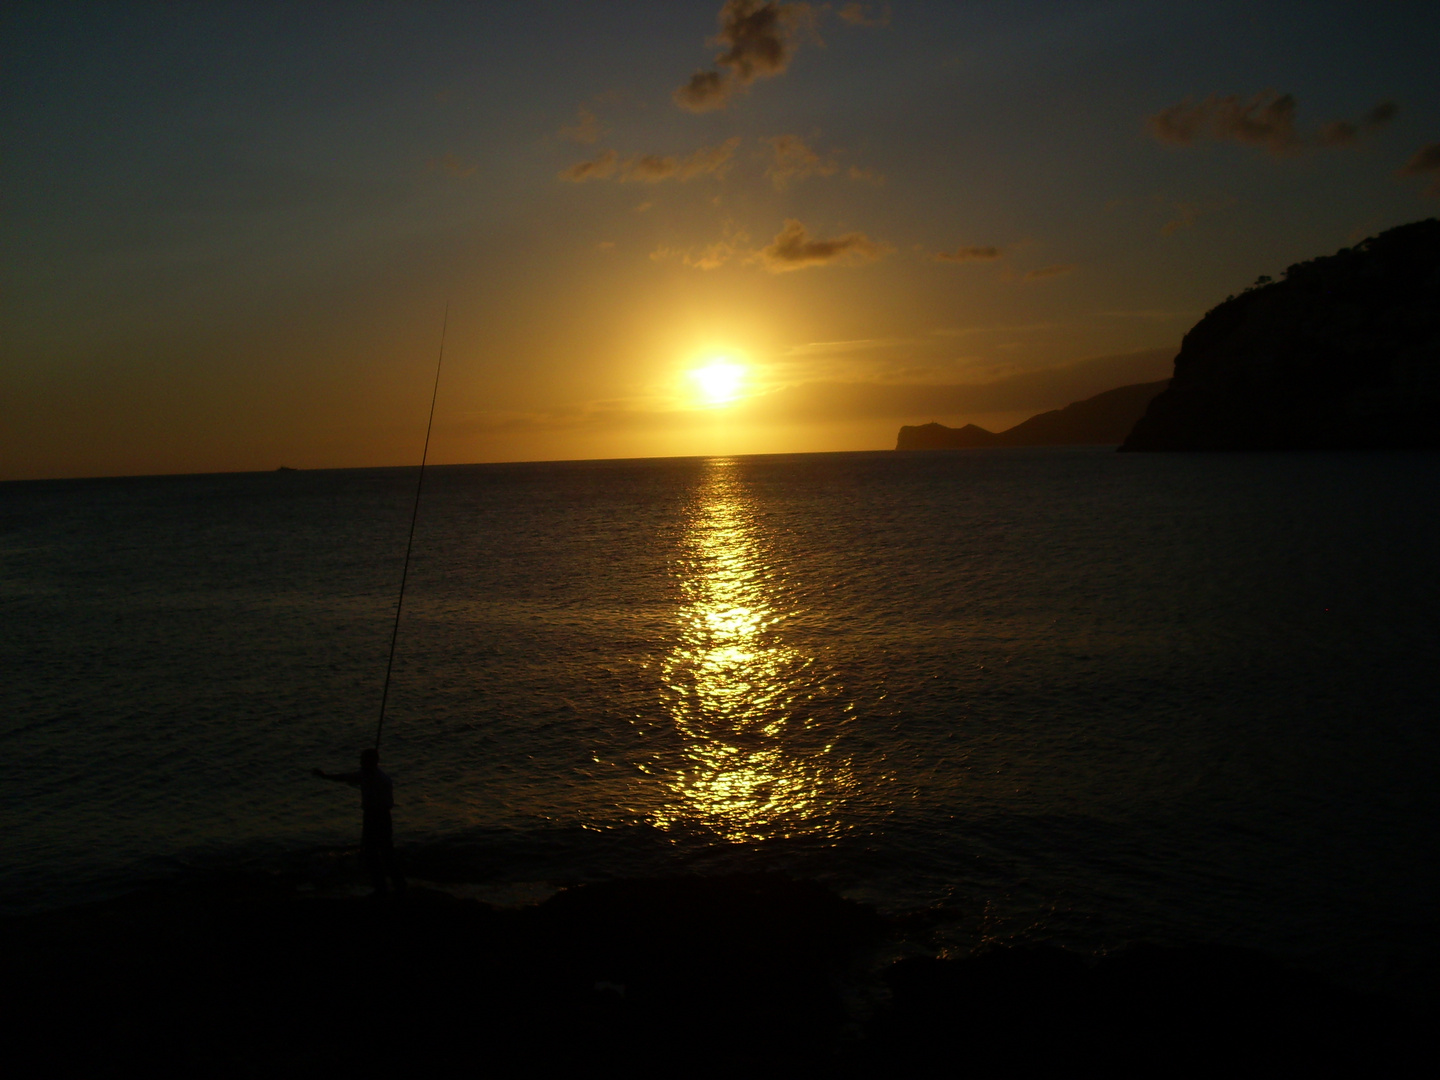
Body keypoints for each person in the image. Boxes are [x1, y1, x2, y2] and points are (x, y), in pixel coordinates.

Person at [312, 748, 407, 895]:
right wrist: (325, 777)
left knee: (381, 852)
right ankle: (384, 885)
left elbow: (386, 803)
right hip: (372, 816)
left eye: (363, 761)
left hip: (379, 817)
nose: (361, 763)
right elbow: (345, 777)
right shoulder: (366, 775)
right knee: (375, 853)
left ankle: (392, 886)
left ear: (371, 762)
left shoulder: (381, 779)